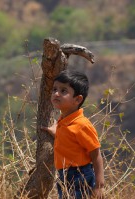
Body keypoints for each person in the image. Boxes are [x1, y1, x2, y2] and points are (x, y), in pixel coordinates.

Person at [42, 70, 104, 199]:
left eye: (63, 91)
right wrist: (56, 133)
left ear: (77, 99)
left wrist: (99, 186)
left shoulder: (82, 125)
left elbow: (96, 154)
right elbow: (70, 141)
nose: (56, 94)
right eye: (54, 89)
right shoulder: (64, 120)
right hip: (64, 176)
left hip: (79, 176)